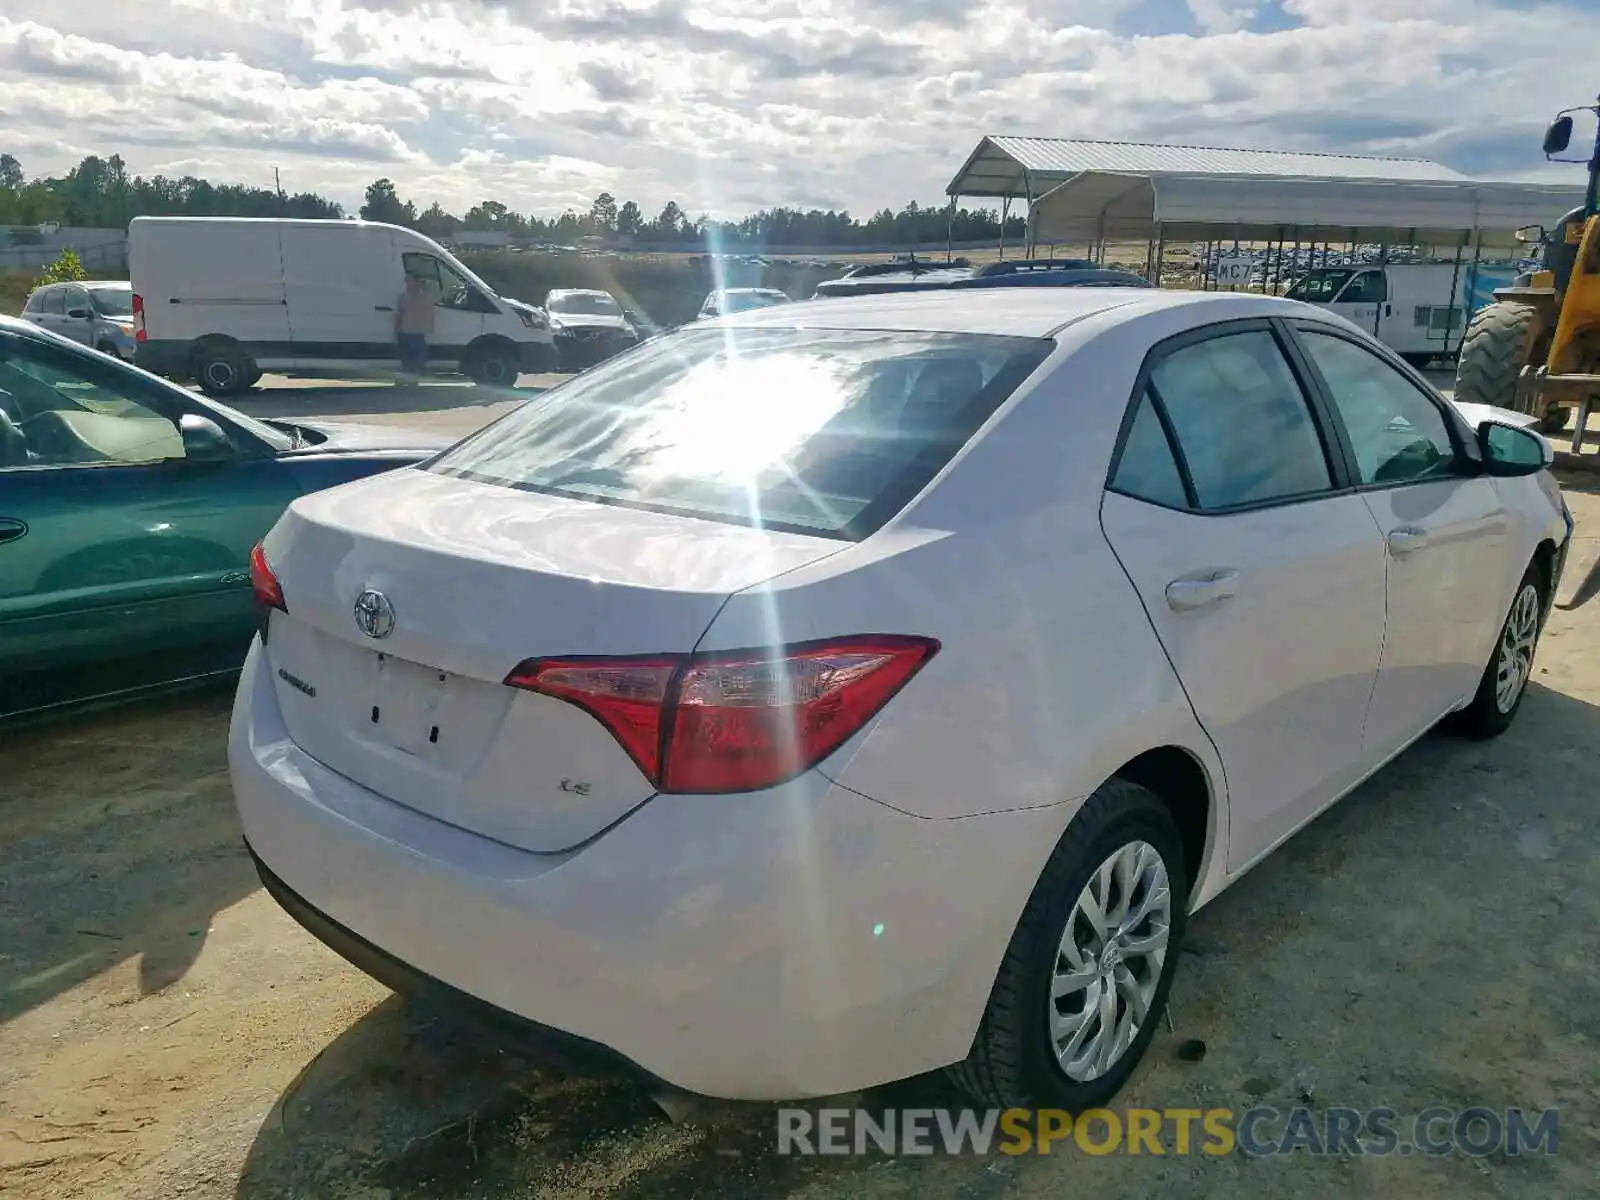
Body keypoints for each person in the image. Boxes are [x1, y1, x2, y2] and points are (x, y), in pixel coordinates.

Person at [394, 272, 435, 382]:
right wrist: (396, 331)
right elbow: (398, 314)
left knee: (417, 359)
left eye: (410, 280)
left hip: (418, 333)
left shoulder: (425, 297)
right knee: (406, 360)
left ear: (417, 282)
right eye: (406, 281)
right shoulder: (403, 297)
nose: (407, 283)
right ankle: (404, 381)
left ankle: (411, 381)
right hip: (405, 332)